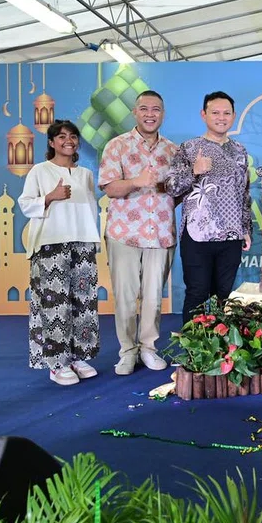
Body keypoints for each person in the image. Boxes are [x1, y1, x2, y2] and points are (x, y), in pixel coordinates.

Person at [99, 90, 178, 375]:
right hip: (124, 233)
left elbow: (178, 193)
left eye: (155, 109)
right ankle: (127, 351)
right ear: (134, 112)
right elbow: (109, 187)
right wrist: (136, 181)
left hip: (160, 233)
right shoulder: (116, 146)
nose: (149, 114)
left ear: (163, 114)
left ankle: (148, 348)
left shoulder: (173, 150)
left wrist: (167, 189)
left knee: (154, 296)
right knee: (126, 296)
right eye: (144, 108)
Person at [19, 120, 101, 386]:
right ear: (52, 142)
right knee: (55, 305)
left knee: (84, 302)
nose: (69, 140)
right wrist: (50, 197)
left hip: (83, 242)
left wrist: (94, 240)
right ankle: (56, 363)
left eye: (73, 136)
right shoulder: (40, 171)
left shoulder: (86, 174)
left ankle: (78, 356)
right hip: (51, 244)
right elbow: (25, 204)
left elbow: (90, 211)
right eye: (62, 136)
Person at [165, 91, 252, 322]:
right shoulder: (189, 148)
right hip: (198, 234)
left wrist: (246, 229)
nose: (221, 117)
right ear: (204, 115)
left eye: (226, 113)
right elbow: (172, 187)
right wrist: (195, 170)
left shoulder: (240, 151)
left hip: (232, 234)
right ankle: (194, 354)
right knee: (197, 292)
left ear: (233, 116)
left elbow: (244, 192)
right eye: (215, 112)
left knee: (224, 296)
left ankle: (221, 354)